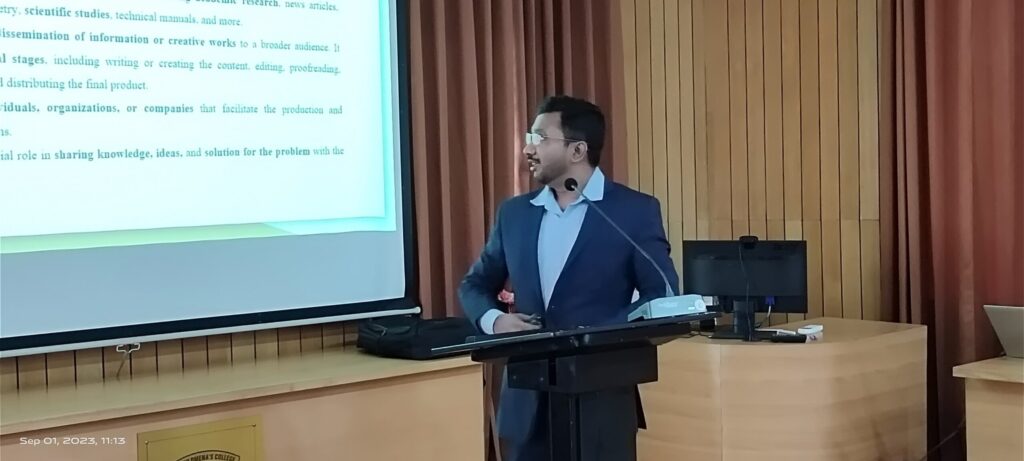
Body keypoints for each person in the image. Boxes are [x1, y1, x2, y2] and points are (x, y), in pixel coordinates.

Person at [458, 95, 680, 461]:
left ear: (577, 150)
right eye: (530, 137)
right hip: (528, 402)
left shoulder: (633, 212)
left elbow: (662, 295)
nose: (528, 148)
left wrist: (599, 335)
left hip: (602, 401)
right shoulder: (515, 214)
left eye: (541, 138)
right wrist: (495, 321)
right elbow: (474, 284)